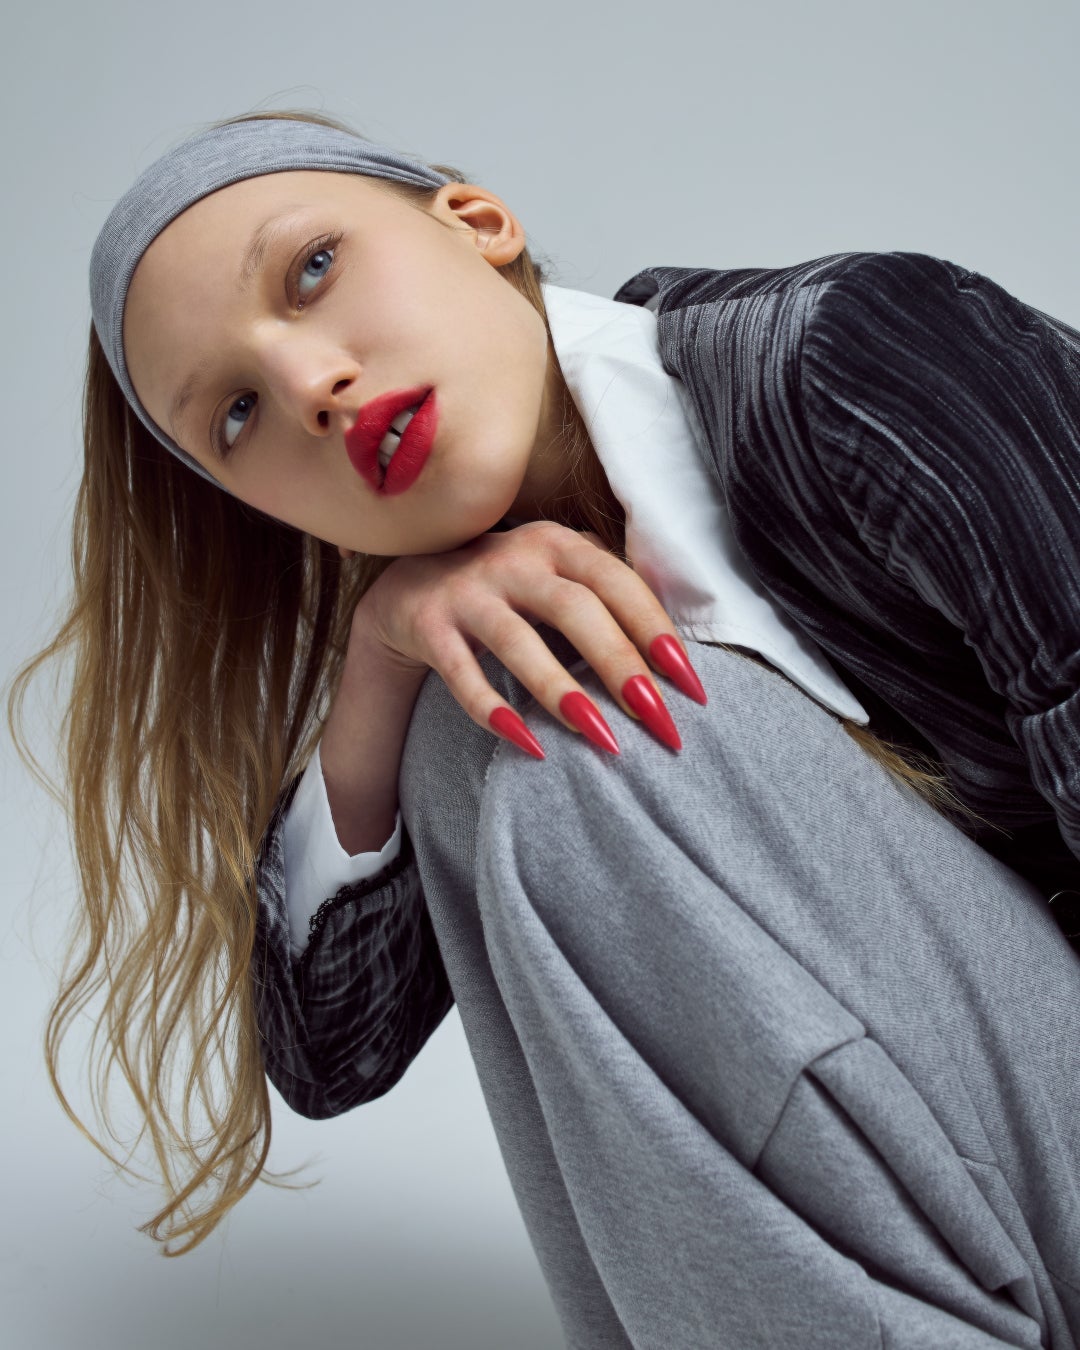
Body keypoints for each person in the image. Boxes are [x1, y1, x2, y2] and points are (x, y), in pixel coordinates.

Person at [9, 107, 1080, 1348]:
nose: (310, 389)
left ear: (479, 225)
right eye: (237, 414)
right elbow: (330, 1056)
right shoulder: (467, 660)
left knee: (578, 725)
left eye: (312, 269)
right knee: (479, 717)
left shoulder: (850, 354)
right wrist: (377, 663)